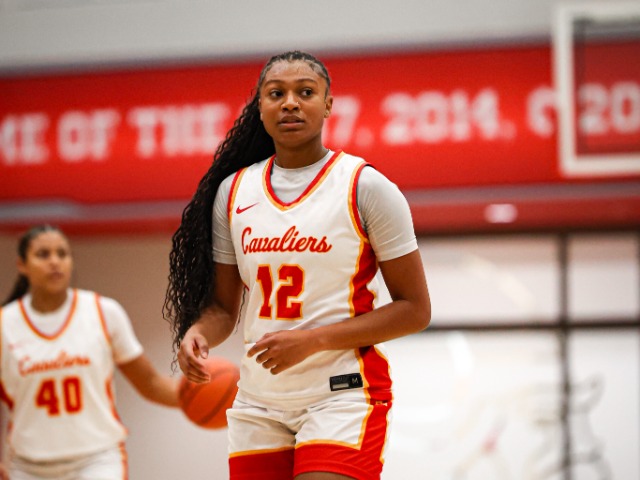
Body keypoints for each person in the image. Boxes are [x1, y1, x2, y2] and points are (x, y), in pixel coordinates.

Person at [165, 50, 431, 480]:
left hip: (342, 393)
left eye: (305, 92)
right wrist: (197, 333)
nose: (290, 102)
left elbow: (415, 309)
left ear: (327, 105)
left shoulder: (365, 186)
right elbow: (223, 310)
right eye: (277, 94)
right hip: (259, 401)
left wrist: (313, 340)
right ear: (261, 106)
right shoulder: (233, 192)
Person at [0, 224, 180, 480]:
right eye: (43, 254)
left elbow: (150, 382)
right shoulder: (5, 324)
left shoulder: (103, 312)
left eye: (62, 254)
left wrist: (198, 398)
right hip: (28, 465)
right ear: (22, 265)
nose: (55, 262)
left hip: (97, 460)